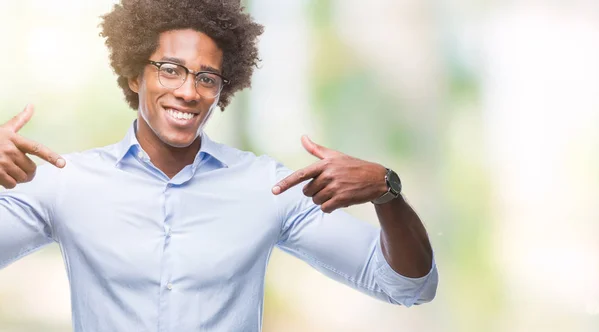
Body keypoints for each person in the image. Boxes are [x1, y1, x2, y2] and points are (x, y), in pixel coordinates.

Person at [0, 0, 438, 331]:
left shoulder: (268, 187)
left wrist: (387, 190)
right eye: (170, 70)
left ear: (222, 91)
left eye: (207, 78)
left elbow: (407, 286)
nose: (189, 92)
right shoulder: (66, 183)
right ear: (135, 76)